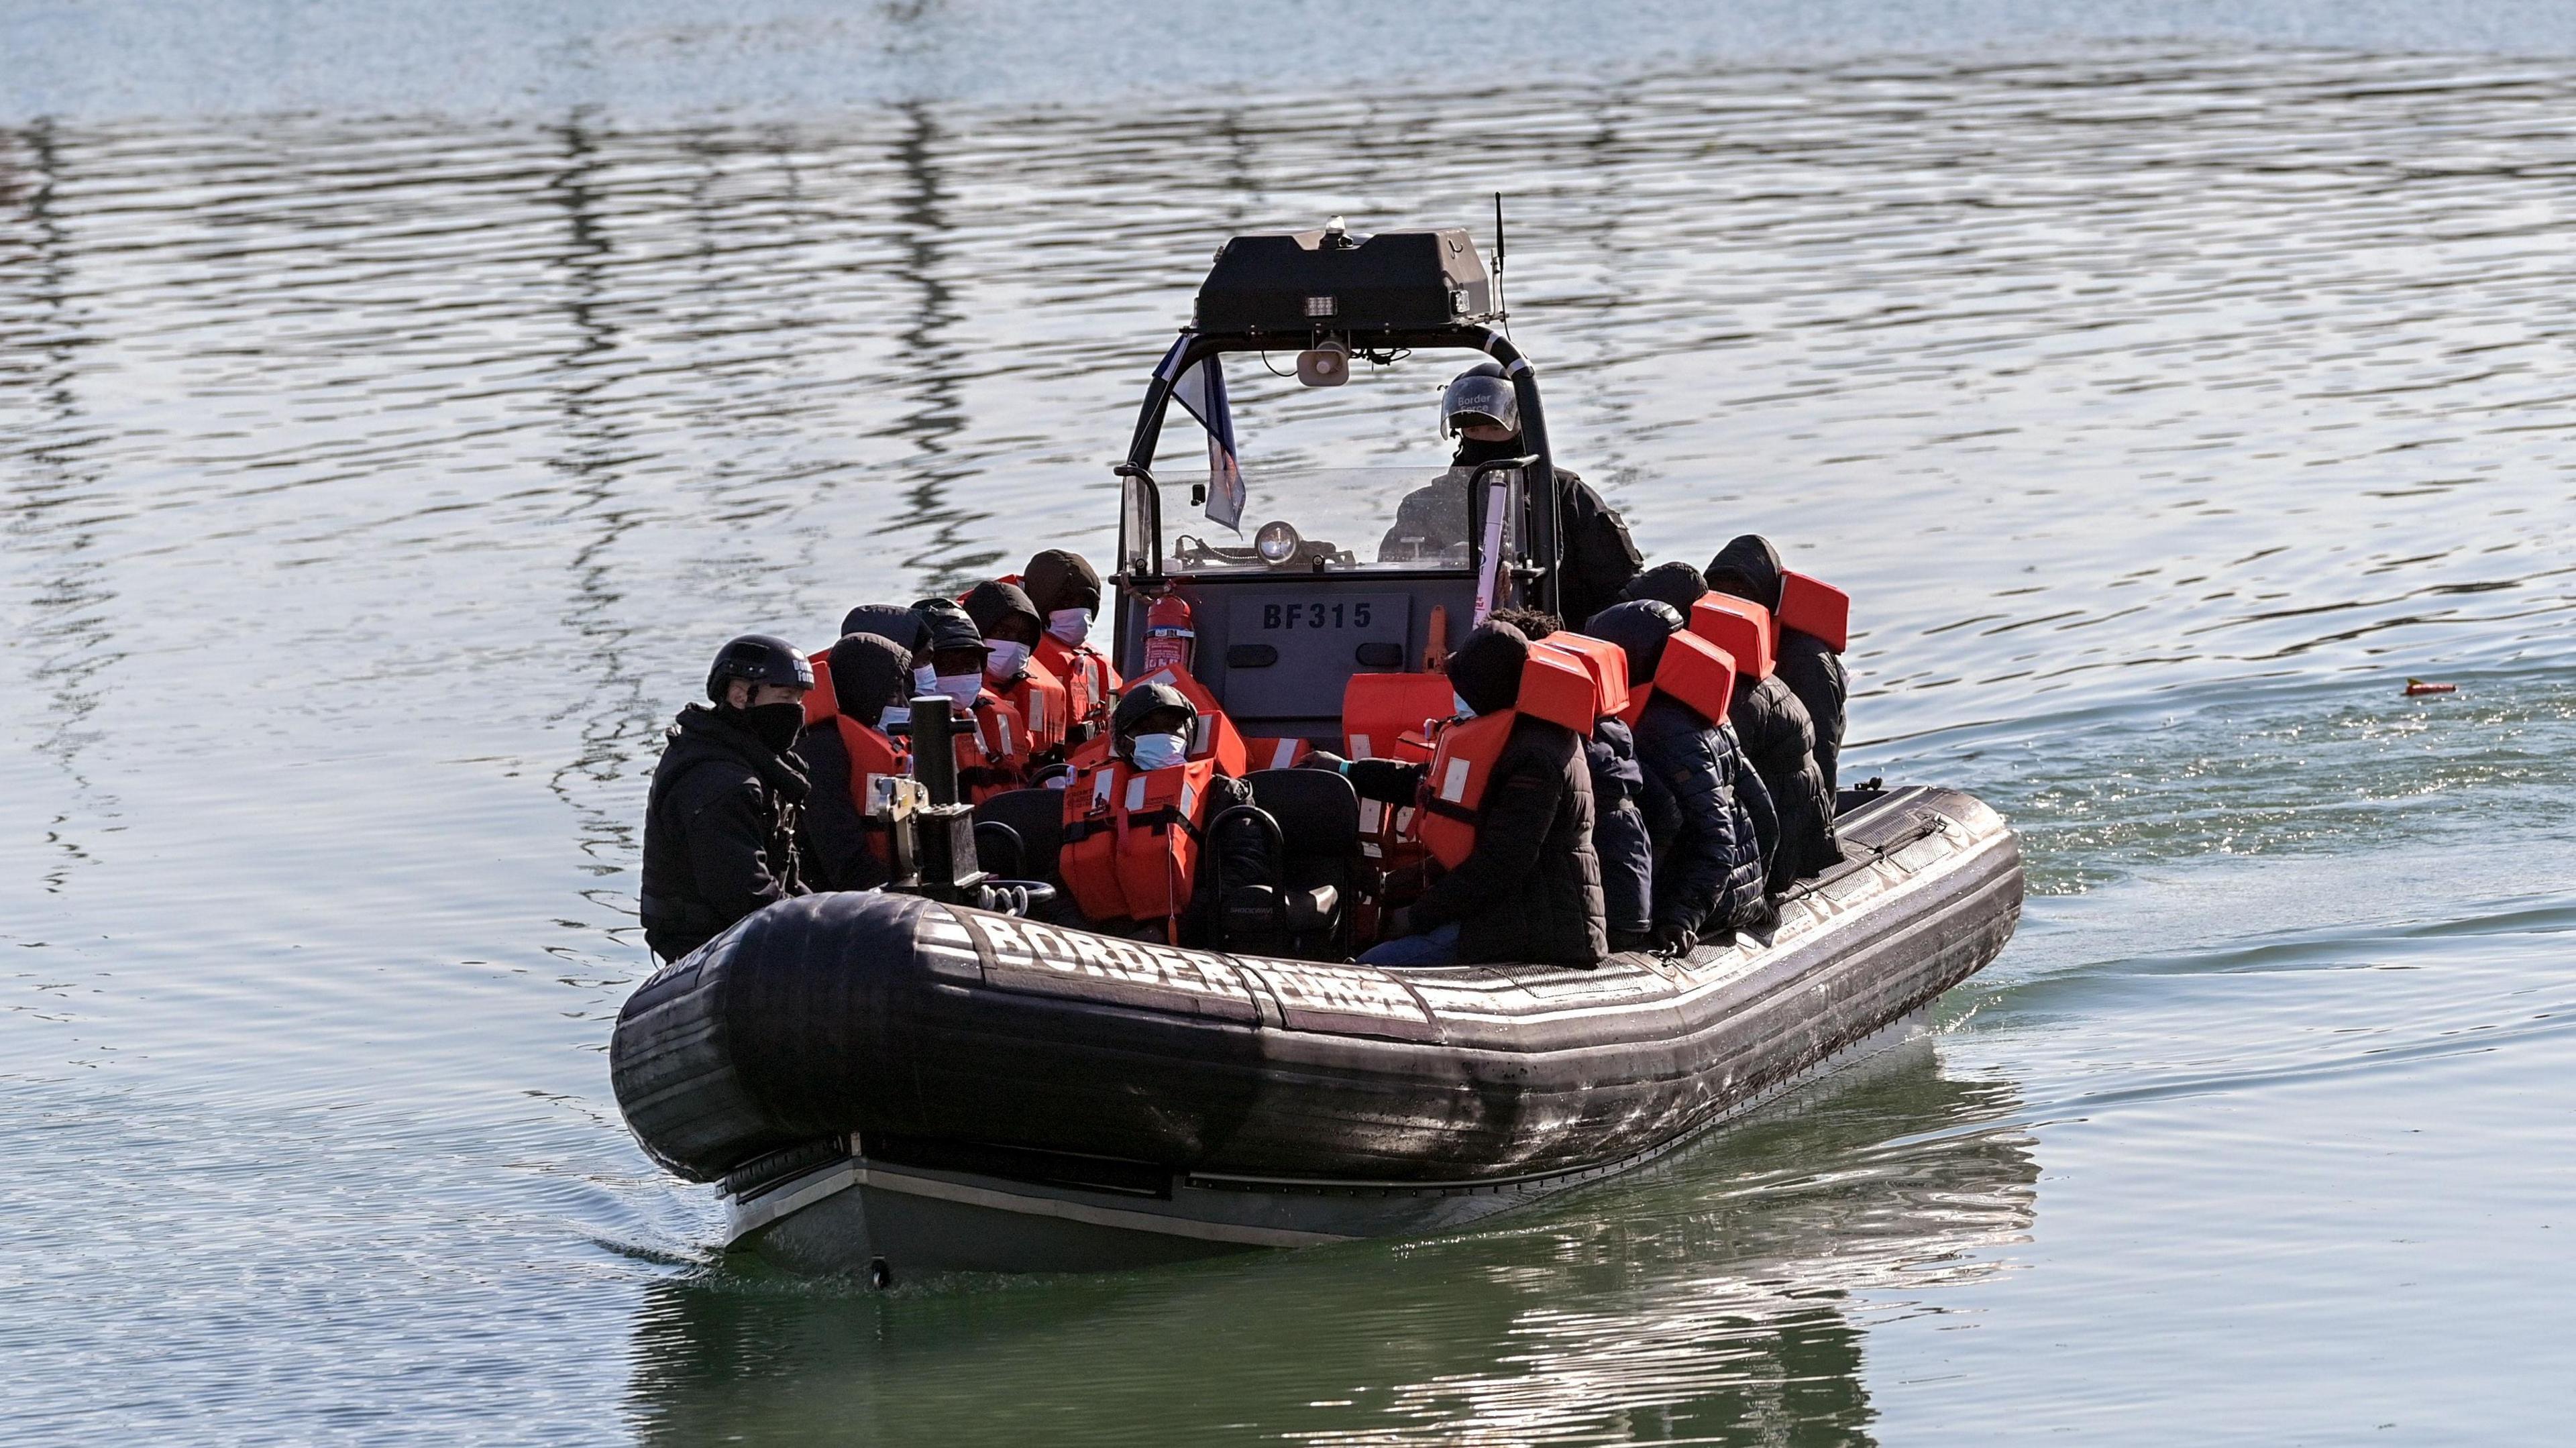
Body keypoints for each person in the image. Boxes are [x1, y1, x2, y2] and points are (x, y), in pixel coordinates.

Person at [1344, 620, 1607, 968]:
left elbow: (1502, 862)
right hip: (1513, 912)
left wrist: (1418, 915)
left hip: (1539, 926)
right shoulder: (1519, 734)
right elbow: (1433, 787)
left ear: (1487, 689)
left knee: (1374, 968)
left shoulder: (1534, 756)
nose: (1457, 696)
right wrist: (1349, 771)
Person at [1377, 363, 1643, 627]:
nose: (1482, 438)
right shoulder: (1426, 504)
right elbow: (1395, 579)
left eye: (1494, 429)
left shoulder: (1565, 495)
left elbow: (1620, 587)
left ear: (1521, 426)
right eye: (1473, 430)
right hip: (1448, 639)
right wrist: (1452, 559)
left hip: (1559, 642)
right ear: (1460, 433)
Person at [1584, 601, 1776, 946]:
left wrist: (1682, 917)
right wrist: (1762, 884)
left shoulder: (1664, 729)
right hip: (1737, 886)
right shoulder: (1702, 709)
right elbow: (1763, 809)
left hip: (1709, 901)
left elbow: (1718, 837)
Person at [1489, 605, 1656, 953]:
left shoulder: (1558, 747)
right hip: (1626, 897)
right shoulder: (1610, 733)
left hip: (1600, 911)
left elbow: (1509, 855)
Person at [639, 634, 814, 962]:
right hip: (702, 945)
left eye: (800, 700)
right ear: (739, 695)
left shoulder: (754, 762)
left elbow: (782, 877)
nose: (796, 711)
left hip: (740, 934)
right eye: (786, 697)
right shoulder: (723, 783)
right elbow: (744, 896)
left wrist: (829, 912)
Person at [1057, 681, 1269, 944]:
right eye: (1145, 728)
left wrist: (1171, 932)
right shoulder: (1086, 799)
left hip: (1192, 941)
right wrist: (1086, 936)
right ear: (1123, 740)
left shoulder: (1225, 794)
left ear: (1189, 734)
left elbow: (1245, 870)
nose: (1161, 735)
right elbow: (1061, 881)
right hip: (1100, 941)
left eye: (1171, 726)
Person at [1708, 535, 1848, 798]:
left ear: (1766, 597)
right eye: (1720, 591)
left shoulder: (1807, 661)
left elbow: (1821, 755)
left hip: (1794, 790)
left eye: (1742, 592)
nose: (1732, 602)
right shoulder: (1711, 649)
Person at [791, 631, 914, 893]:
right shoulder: (821, 752)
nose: (904, 704)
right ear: (865, 691)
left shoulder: (878, 737)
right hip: (833, 900)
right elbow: (842, 858)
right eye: (893, 694)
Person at [961, 578, 1069, 767]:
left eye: (1024, 638)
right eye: (1003, 633)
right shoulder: (955, 689)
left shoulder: (1033, 688)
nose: (1014, 644)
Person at [1022, 549, 1120, 743]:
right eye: (1066, 603)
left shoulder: (1097, 660)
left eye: (1085, 602)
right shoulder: (1012, 658)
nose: (1077, 611)